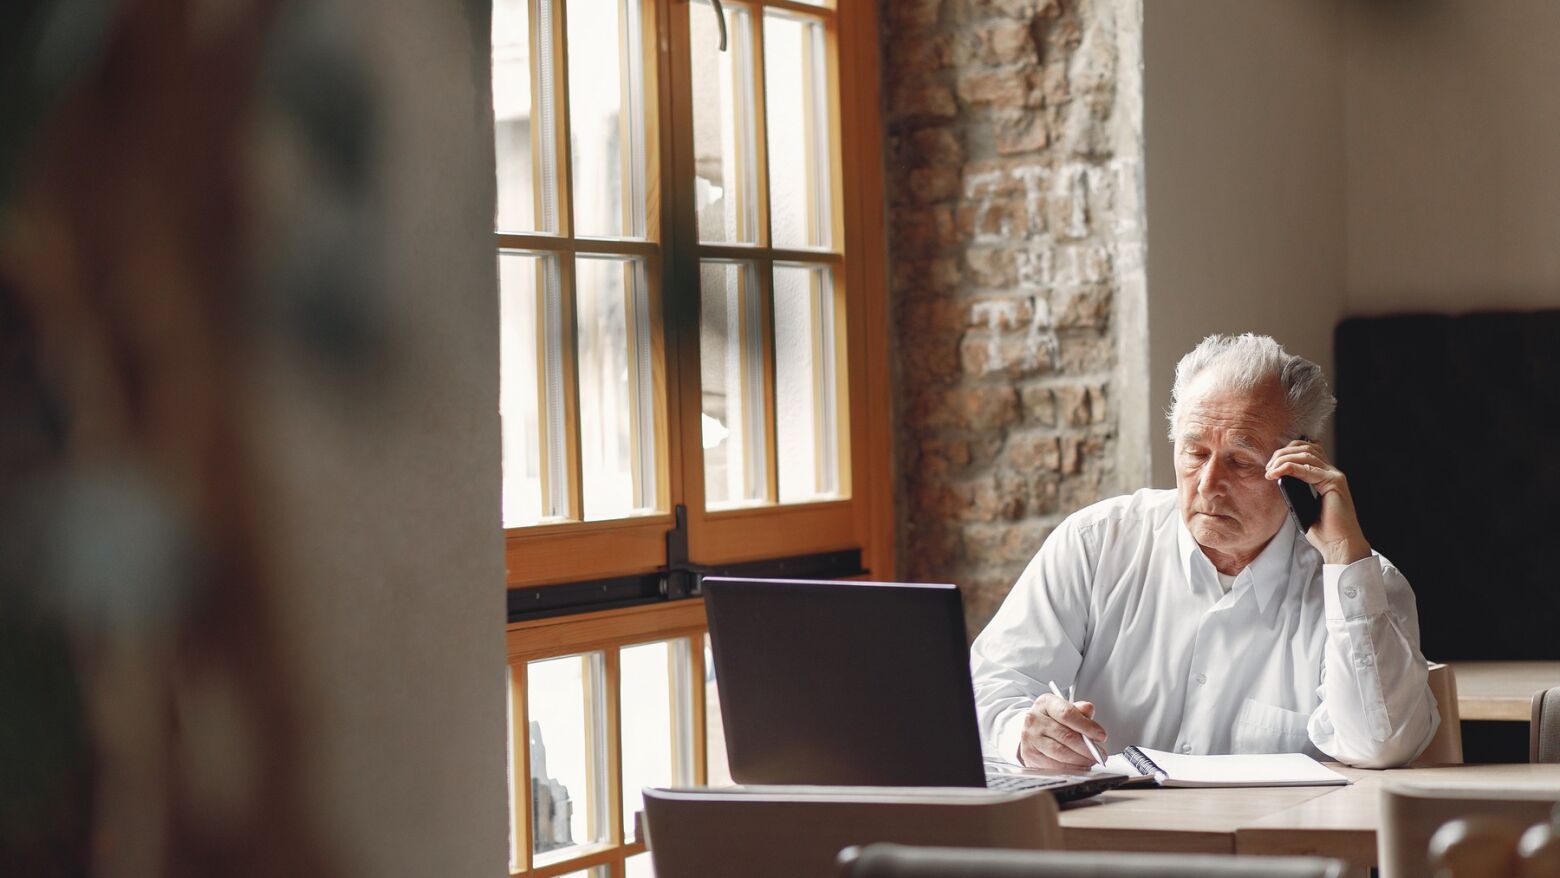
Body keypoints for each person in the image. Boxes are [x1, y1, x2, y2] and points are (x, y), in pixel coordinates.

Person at [971, 333, 1437, 770]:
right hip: (1107, 843)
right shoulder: (1097, 544)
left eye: (1241, 460)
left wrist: (1342, 553)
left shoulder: (1360, 586)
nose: (1209, 486)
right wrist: (1023, 734)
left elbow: (1381, 746)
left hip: (1273, 850)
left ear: (1299, 466)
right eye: (1194, 453)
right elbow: (988, 684)